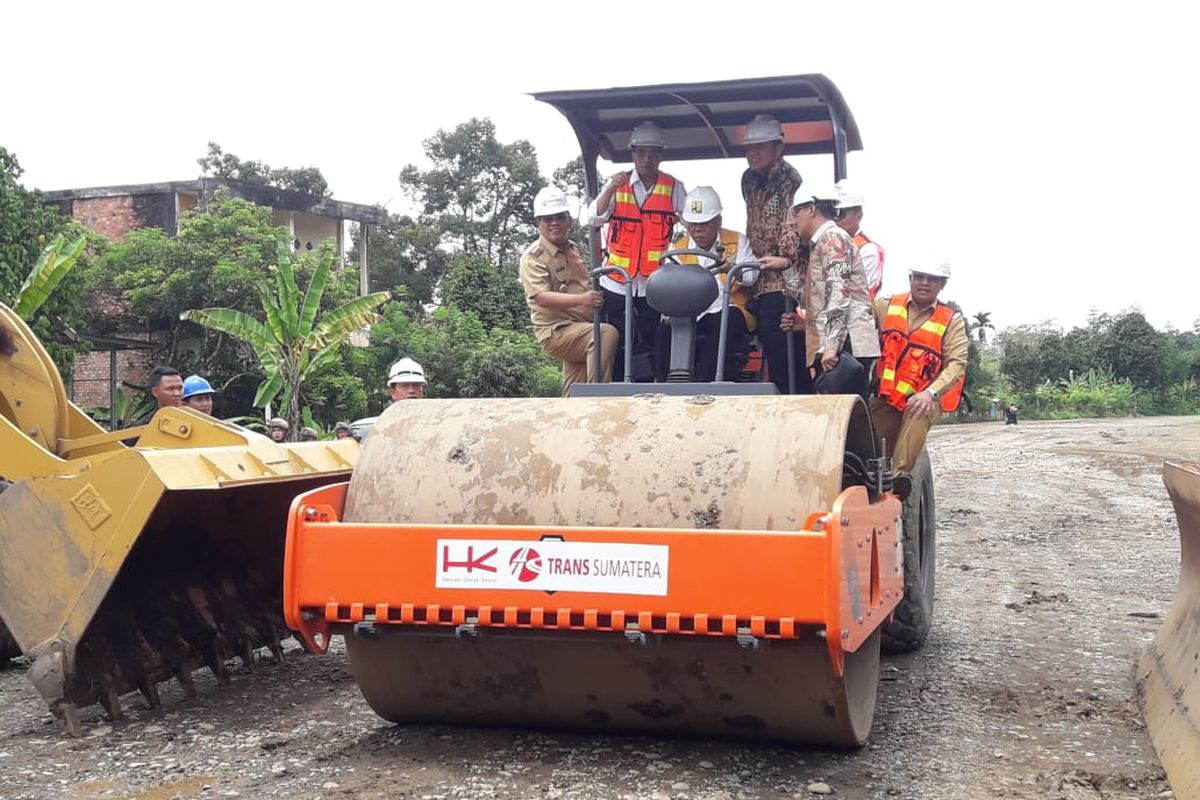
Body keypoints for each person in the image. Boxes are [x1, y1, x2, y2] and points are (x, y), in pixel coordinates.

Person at [587, 121, 687, 381]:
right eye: (641, 152)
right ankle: (620, 385)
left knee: (654, 335)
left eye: (653, 152)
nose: (646, 158)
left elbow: (691, 224)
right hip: (618, 280)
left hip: (655, 281)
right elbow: (593, 219)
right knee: (618, 337)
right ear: (632, 153)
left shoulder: (673, 187)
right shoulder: (617, 185)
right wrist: (609, 188)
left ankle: (654, 385)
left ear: (661, 155)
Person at [869, 260, 968, 482]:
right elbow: (856, 322)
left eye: (932, 279)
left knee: (919, 409)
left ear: (942, 284)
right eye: (920, 277)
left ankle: (898, 479)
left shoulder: (951, 321)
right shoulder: (885, 306)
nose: (924, 283)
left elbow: (957, 364)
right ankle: (874, 482)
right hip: (886, 397)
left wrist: (930, 393)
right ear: (911, 278)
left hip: (922, 397)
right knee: (872, 447)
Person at [782, 184, 880, 397]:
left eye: (796, 211)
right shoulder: (823, 243)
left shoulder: (834, 239)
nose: (794, 220)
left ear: (811, 209)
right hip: (839, 341)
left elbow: (839, 291)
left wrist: (831, 346)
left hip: (846, 342)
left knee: (848, 419)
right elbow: (815, 299)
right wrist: (786, 269)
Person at [520, 186, 618, 392]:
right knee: (605, 335)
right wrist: (584, 300)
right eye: (547, 219)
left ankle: (574, 416)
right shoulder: (534, 256)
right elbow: (542, 298)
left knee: (574, 389)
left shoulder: (573, 249)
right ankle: (598, 398)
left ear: (569, 220)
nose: (554, 222)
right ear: (538, 223)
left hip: (581, 327)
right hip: (557, 330)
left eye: (559, 216)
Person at [740, 114, 810, 393]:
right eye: (749, 147)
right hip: (756, 275)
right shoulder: (748, 180)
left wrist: (786, 258)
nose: (753, 153)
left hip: (783, 279)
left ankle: (797, 400)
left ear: (778, 148)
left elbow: (794, 222)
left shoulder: (791, 180)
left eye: (760, 146)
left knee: (784, 350)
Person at [669, 186, 757, 382]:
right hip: (691, 313)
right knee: (664, 331)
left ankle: (704, 384)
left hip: (730, 309)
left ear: (718, 221)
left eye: (704, 224)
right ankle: (665, 387)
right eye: (693, 224)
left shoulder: (737, 241)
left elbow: (752, 276)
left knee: (723, 323)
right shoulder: (677, 249)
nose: (698, 230)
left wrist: (732, 268)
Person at [834, 179, 885, 300]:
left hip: (857, 315)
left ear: (859, 215)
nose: (836, 218)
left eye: (841, 213)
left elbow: (853, 292)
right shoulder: (826, 245)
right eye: (833, 213)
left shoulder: (867, 250)